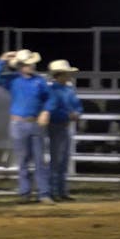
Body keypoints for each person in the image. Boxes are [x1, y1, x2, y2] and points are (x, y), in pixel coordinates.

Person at [0, 49, 56, 204]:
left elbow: (50, 98)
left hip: (32, 122)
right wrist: (2, 60)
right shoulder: (13, 79)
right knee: (23, 160)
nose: (31, 66)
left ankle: (43, 193)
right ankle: (26, 192)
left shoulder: (39, 81)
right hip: (20, 123)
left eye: (31, 64)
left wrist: (46, 111)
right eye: (28, 64)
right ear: (21, 66)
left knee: (39, 160)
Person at [47, 59, 82, 201]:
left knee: (63, 158)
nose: (69, 77)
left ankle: (61, 191)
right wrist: (70, 114)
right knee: (57, 159)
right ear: (59, 75)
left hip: (64, 125)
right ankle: (56, 190)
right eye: (66, 74)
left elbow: (77, 105)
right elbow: (52, 110)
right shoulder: (54, 91)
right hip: (57, 125)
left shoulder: (67, 90)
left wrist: (77, 113)